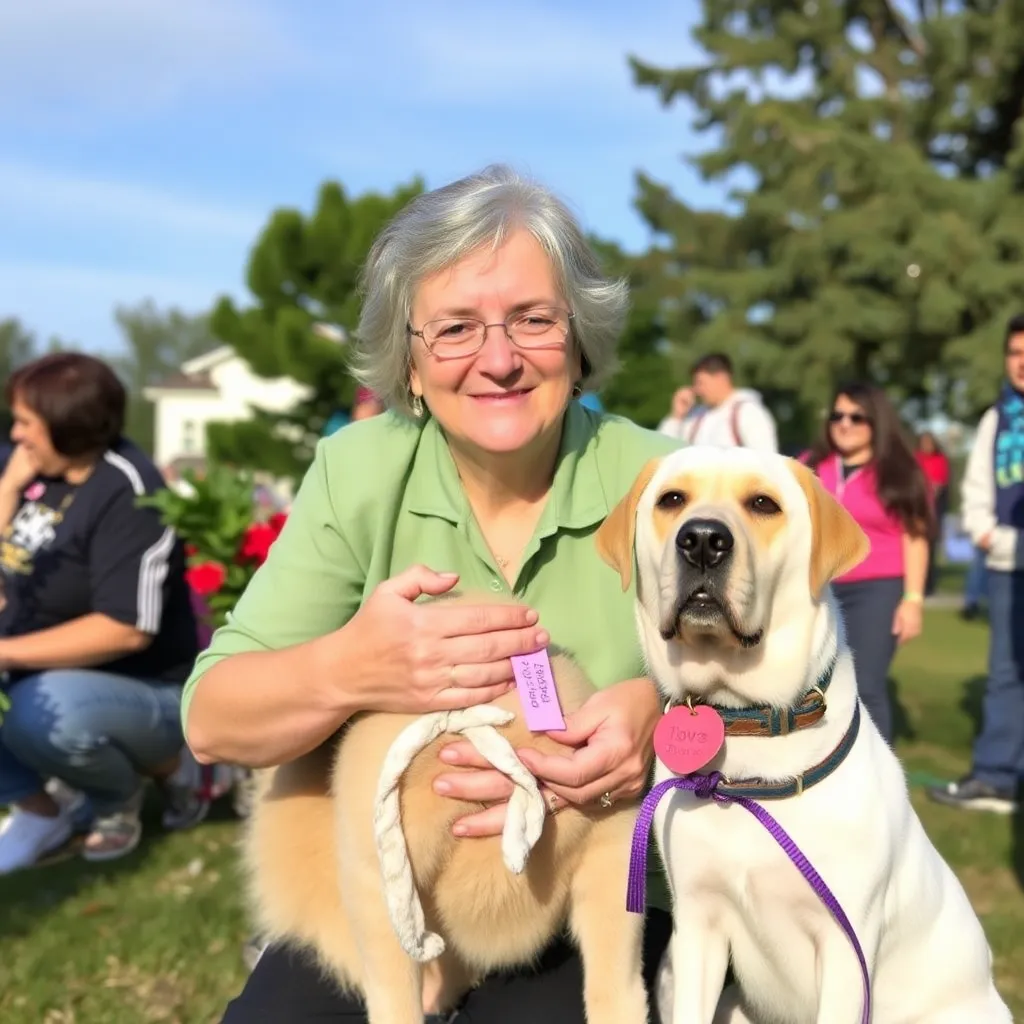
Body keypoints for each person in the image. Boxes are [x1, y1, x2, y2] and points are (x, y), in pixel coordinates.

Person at [182, 165, 686, 1023]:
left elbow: (795, 691)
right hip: (387, 913)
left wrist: (659, 713)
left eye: (533, 319)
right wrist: (349, 670)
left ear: (580, 340)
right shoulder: (356, 471)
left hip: (604, 904)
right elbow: (212, 720)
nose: (498, 360)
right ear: (408, 365)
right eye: (454, 329)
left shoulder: (666, 480)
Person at [0, 353, 204, 872]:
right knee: (32, 706)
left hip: (142, 686)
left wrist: (4, 652)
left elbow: (126, 629)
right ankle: (39, 810)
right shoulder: (29, 470)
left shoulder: (127, 492)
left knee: (39, 716)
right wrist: (6, 491)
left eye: (26, 421)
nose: (16, 433)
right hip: (41, 668)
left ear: (67, 426)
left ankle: (133, 792)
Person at [928, 314, 1024, 814]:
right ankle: (996, 776)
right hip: (1010, 564)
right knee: (1006, 670)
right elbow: (977, 493)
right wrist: (992, 536)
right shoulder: (998, 419)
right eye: (1014, 352)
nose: (1021, 362)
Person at [803, 382, 932, 745]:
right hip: (818, 586)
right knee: (815, 681)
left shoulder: (900, 473)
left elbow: (916, 537)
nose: (845, 424)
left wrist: (913, 600)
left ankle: (877, 777)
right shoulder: (809, 467)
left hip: (878, 588)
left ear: (877, 422)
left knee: (865, 682)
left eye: (857, 417)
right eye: (837, 415)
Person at [657, 352, 778, 451]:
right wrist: (676, 416)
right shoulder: (696, 418)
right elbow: (663, 453)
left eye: (701, 383)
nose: (697, 390)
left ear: (721, 378)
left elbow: (766, 462)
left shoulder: (748, 412)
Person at [916, 431, 951, 595]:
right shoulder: (916, 458)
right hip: (916, 507)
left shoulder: (940, 460)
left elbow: (938, 484)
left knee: (930, 547)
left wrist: (929, 498)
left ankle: (929, 584)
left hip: (933, 508)